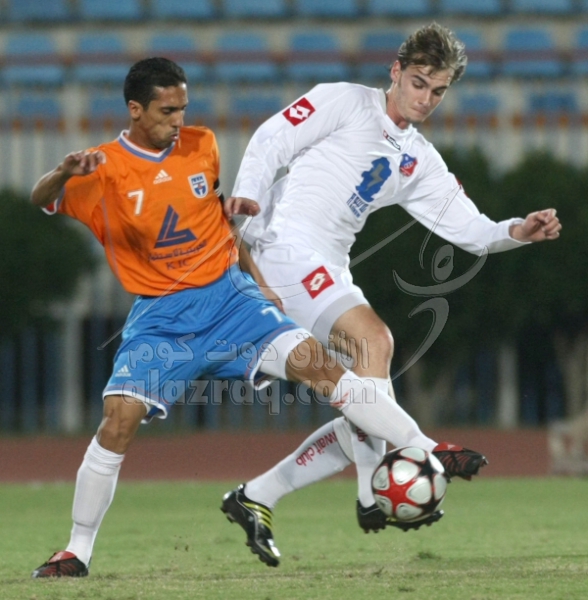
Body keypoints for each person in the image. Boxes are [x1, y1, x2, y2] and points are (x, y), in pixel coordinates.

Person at [29, 57, 481, 579]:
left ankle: (426, 448)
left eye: (183, 108)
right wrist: (63, 172)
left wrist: (259, 281)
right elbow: (42, 199)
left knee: (322, 367)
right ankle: (76, 551)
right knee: (117, 422)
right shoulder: (102, 168)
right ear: (136, 109)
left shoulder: (201, 145)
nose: (179, 120)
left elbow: (219, 222)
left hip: (232, 300)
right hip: (162, 318)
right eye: (167, 111)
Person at [220, 23, 562, 567]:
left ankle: (260, 494)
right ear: (396, 72)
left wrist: (517, 230)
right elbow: (272, 138)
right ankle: (398, 470)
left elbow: (469, 228)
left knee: (369, 378)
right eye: (418, 83)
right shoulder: (345, 101)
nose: (425, 98)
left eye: (438, 91)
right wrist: (247, 196)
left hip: (329, 264)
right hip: (281, 245)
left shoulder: (418, 158)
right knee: (373, 342)